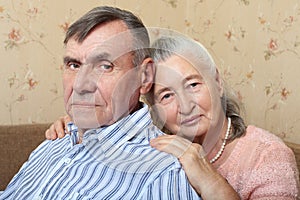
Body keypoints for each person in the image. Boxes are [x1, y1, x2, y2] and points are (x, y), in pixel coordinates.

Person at [46, 34, 300, 199]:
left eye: (193, 85)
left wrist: (210, 180)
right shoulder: (156, 144)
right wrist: (79, 124)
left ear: (217, 83)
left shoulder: (267, 155)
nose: (185, 106)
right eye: (167, 96)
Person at [0, 6, 201, 200]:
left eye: (105, 66)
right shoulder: (54, 141)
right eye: (74, 65)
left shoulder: (163, 172)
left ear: (144, 77)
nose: (80, 85)